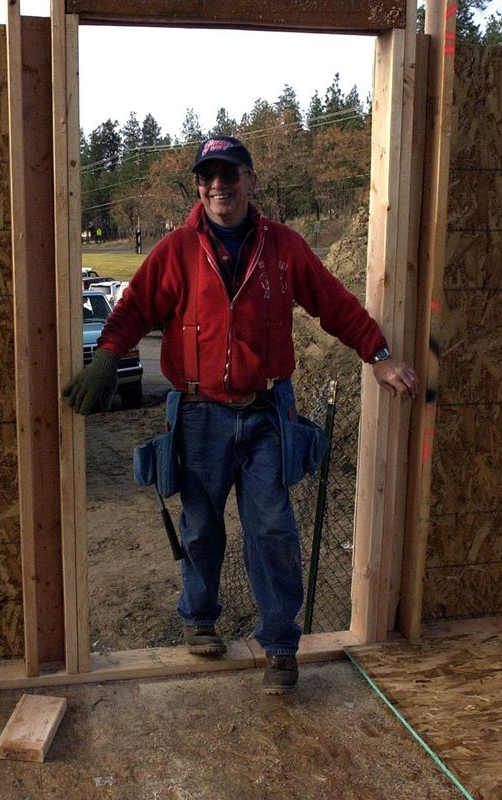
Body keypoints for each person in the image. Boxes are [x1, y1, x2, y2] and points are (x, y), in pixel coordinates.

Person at [62, 136, 418, 695]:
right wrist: (107, 358)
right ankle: (199, 618)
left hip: (267, 413)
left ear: (252, 182)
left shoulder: (284, 247)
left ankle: (280, 644)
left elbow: (333, 302)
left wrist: (377, 354)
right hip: (199, 413)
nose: (219, 186)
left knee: (272, 528)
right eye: (209, 177)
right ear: (199, 186)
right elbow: (133, 309)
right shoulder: (176, 249)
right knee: (201, 524)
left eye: (230, 175)